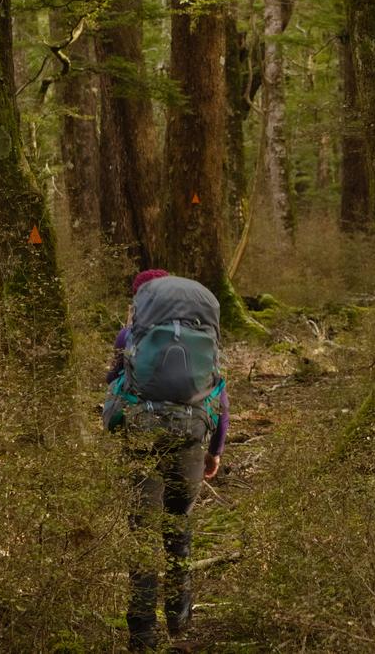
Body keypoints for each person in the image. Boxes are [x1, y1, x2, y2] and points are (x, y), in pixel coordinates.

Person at [106, 272, 230, 651]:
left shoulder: (130, 337)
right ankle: (179, 619)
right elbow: (221, 400)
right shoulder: (203, 340)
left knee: (142, 536)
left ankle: (141, 635)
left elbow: (114, 382)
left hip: (142, 438)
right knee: (179, 527)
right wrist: (216, 451)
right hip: (190, 441)